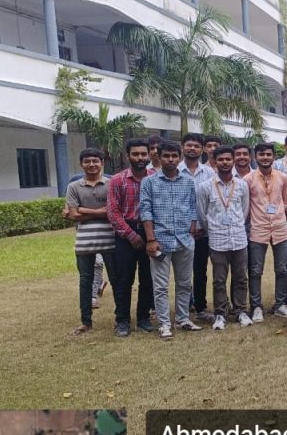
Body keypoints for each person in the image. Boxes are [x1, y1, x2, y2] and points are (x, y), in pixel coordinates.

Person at [140, 140, 200, 339]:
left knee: (184, 284)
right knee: (160, 286)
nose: (171, 159)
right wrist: (150, 239)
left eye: (174, 156)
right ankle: (164, 324)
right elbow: (146, 212)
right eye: (166, 156)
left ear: (180, 157)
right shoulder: (149, 182)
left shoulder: (188, 181)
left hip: (184, 240)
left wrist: (191, 230)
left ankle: (182, 319)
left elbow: (192, 207)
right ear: (158, 157)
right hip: (160, 241)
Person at [196, 145, 251, 330]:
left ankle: (241, 310)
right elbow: (202, 214)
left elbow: (244, 211)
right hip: (217, 240)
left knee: (241, 278)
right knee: (219, 280)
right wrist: (213, 229)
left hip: (239, 239)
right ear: (214, 161)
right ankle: (220, 313)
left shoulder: (242, 185)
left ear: (233, 160)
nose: (225, 162)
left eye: (228, 159)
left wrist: (236, 226)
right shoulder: (205, 187)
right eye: (221, 159)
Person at [64, 148, 115, 335]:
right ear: (81, 164)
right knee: (85, 281)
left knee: (117, 280)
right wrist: (100, 212)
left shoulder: (112, 184)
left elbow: (113, 212)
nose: (91, 164)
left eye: (95, 161)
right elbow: (72, 215)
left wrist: (83, 210)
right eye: (87, 161)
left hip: (110, 240)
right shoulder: (73, 186)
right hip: (84, 242)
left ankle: (121, 318)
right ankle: (86, 321)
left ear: (102, 163)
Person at [108, 138, 155, 337]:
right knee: (124, 280)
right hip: (125, 235)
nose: (140, 158)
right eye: (135, 154)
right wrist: (130, 234)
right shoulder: (117, 180)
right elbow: (113, 212)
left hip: (150, 233)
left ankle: (143, 318)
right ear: (128, 156)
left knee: (148, 279)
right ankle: (122, 320)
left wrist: (149, 235)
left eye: (143, 154)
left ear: (149, 155)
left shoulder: (155, 178)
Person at [246, 142, 287, 322]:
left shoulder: (282, 177)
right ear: (255, 157)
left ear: (274, 157)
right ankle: (256, 307)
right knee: (255, 270)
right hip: (258, 229)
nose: (265, 157)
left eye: (268, 154)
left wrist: (280, 211)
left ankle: (280, 304)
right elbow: (245, 205)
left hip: (280, 229)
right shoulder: (248, 179)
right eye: (261, 154)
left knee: (281, 269)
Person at [178, 133, 217, 321]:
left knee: (201, 270)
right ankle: (184, 307)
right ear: (182, 147)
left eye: (196, 146)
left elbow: (213, 202)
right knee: (183, 273)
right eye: (189, 145)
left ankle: (200, 307)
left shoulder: (210, 173)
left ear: (202, 150)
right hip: (182, 231)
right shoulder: (175, 171)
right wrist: (188, 226)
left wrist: (204, 225)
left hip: (204, 231)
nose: (192, 148)